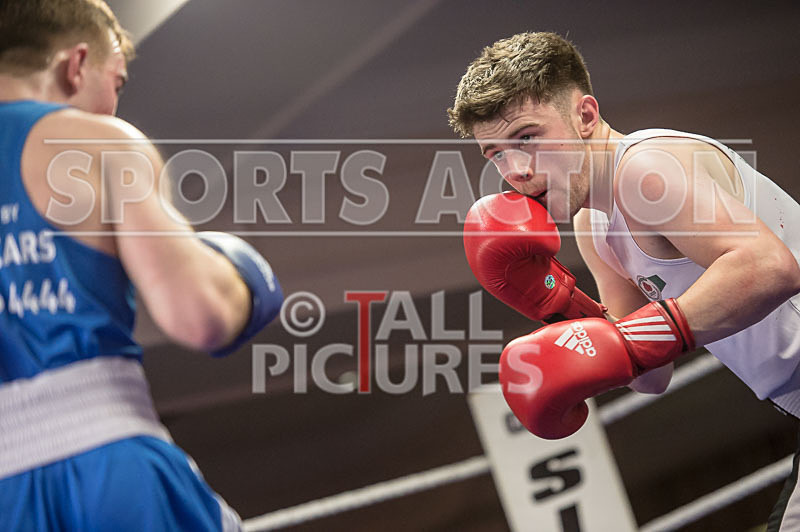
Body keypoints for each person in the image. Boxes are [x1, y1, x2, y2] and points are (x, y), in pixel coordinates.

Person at [450, 31, 800, 529]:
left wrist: (634, 341)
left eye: (527, 137)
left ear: (585, 116)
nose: (516, 170)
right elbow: (649, 376)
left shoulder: (644, 170)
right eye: (496, 154)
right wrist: (560, 306)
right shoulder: (592, 223)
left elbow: (771, 267)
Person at [0, 1, 283, 530]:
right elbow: (200, 315)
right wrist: (240, 277)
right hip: (108, 464)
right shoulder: (96, 143)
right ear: (75, 65)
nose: (111, 105)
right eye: (117, 82)